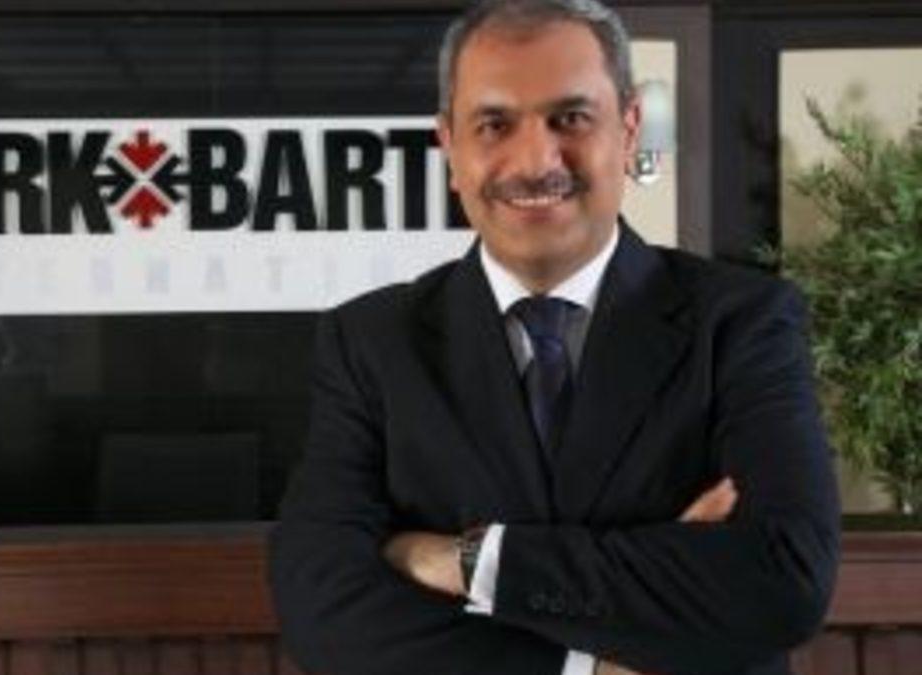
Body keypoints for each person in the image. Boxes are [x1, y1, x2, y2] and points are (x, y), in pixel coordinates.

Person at [267, 0, 840, 673]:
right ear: (450, 147)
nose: (536, 160)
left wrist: (467, 561)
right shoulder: (370, 343)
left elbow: (784, 581)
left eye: (570, 118)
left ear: (629, 130)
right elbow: (323, 609)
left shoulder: (743, 321)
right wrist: (588, 663)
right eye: (494, 124)